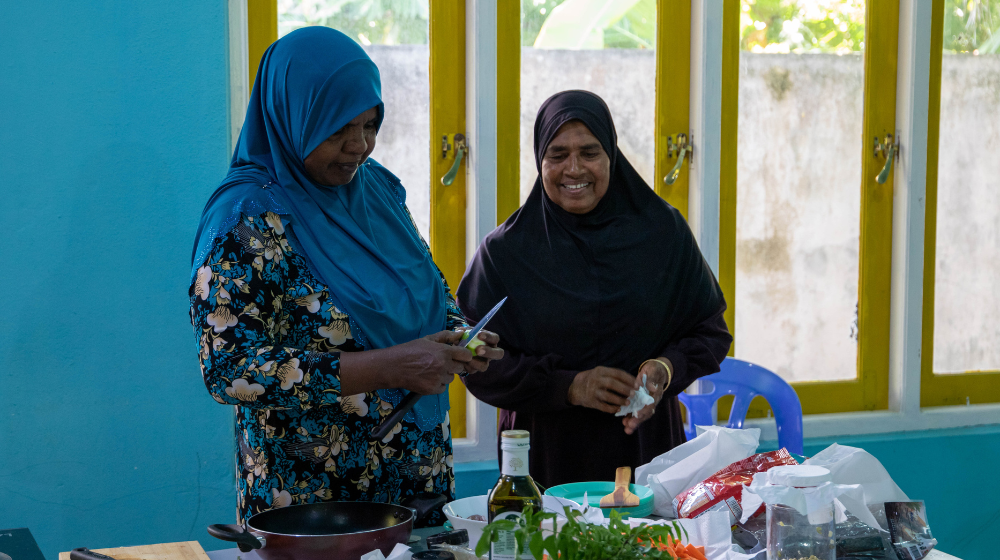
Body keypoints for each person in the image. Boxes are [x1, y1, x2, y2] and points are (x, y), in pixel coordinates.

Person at [189, 27, 501, 524]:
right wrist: (391, 367)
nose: (360, 145)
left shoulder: (375, 189)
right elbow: (230, 369)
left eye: (370, 124)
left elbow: (426, 289)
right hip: (312, 502)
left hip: (415, 480)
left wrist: (461, 337)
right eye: (337, 130)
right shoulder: (248, 220)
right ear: (293, 117)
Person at [457, 90, 732, 488]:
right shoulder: (506, 253)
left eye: (589, 152)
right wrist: (568, 386)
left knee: (644, 547)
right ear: (539, 160)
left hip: (644, 449)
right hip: (544, 456)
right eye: (557, 154)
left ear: (611, 156)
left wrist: (665, 370)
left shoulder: (661, 234)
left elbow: (709, 331)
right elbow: (473, 358)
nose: (574, 169)